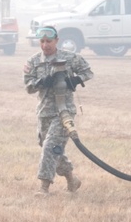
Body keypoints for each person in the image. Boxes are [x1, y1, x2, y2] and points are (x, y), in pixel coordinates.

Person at [24, 26, 94, 195]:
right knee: (52, 148)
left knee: (50, 146)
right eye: (42, 41)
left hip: (64, 112)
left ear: (57, 40)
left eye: (49, 41)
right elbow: (29, 87)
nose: (45, 45)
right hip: (44, 112)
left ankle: (44, 187)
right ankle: (72, 179)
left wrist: (75, 80)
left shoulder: (69, 58)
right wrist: (42, 82)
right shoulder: (33, 62)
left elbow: (88, 72)